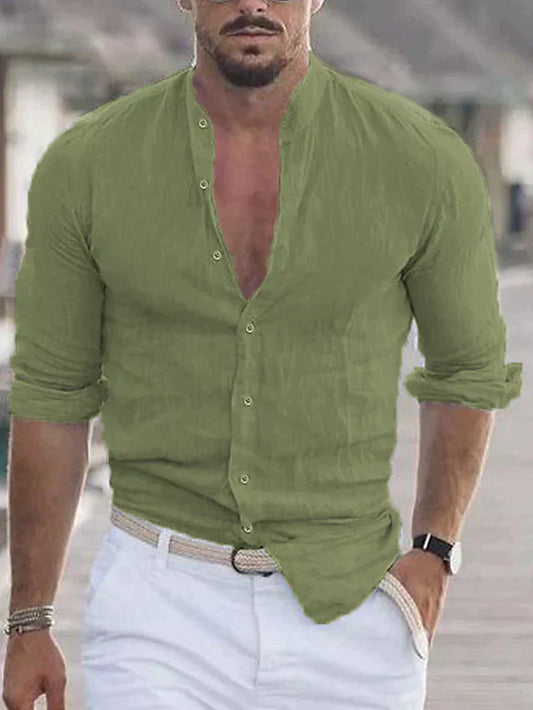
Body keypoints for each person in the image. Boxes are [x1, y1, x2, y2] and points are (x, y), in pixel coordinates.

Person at [2, 0, 523, 708]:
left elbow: (466, 370)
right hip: (157, 603)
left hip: (352, 608)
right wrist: (30, 618)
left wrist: (435, 552)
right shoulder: (88, 164)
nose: (253, 2)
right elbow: (53, 393)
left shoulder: (420, 159)